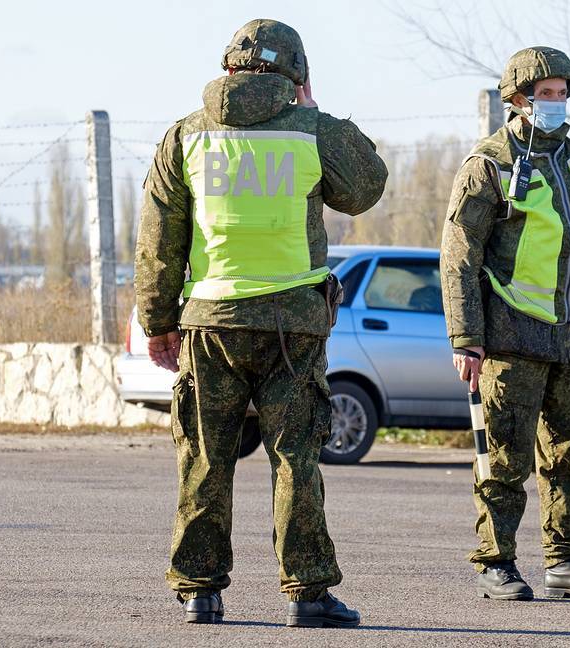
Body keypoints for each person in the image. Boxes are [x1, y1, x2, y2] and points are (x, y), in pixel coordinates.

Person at [134, 19, 387, 627]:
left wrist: (157, 321)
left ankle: (199, 590)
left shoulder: (185, 136)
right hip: (291, 325)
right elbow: (364, 190)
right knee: (295, 457)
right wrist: (319, 113)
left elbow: (159, 244)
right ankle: (307, 594)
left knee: (204, 457)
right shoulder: (310, 130)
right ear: (298, 76)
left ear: (227, 70)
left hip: (209, 324)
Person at [440, 46, 570, 601]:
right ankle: (496, 563)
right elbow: (459, 256)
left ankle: (567, 563)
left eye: (562, 93)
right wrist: (466, 338)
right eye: (545, 94)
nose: (556, 103)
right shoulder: (489, 165)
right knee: (503, 458)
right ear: (517, 99)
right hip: (511, 337)